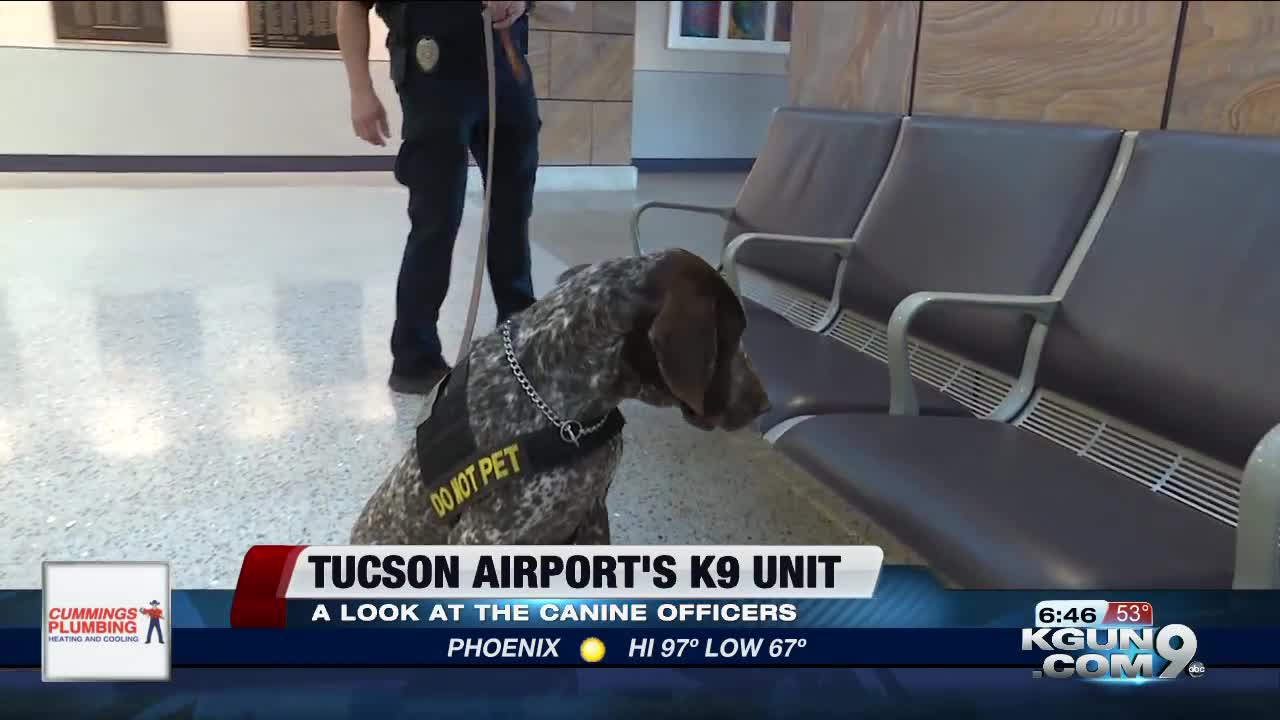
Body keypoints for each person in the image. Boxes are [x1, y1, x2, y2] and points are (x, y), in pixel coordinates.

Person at [337, 1, 574, 394]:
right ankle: (414, 357)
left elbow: (565, 8)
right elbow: (351, 7)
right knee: (436, 220)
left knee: (513, 216)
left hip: (506, 72)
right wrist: (360, 90)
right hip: (432, 79)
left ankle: (519, 342)